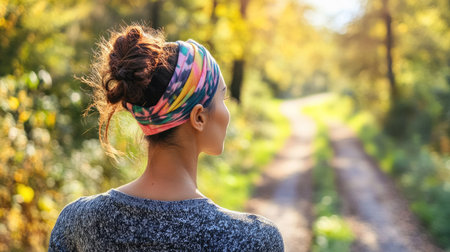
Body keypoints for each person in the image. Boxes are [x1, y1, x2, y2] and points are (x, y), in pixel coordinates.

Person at [48, 25, 284, 251]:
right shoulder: (254, 240)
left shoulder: (77, 223)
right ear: (198, 117)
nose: (227, 111)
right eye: (222, 97)